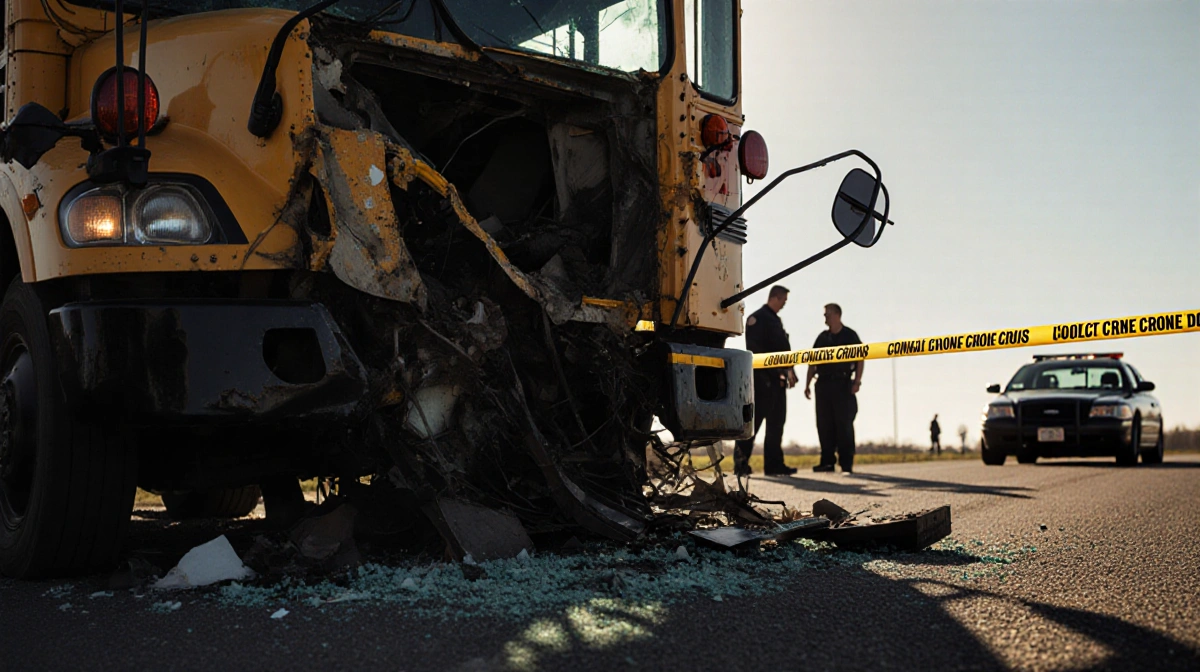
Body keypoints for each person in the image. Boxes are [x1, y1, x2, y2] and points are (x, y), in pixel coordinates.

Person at [734, 286, 798, 477]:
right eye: (783, 300)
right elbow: (755, 351)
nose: (784, 304)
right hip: (762, 381)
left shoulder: (775, 321)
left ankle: (774, 464)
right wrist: (769, 374)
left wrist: (790, 370)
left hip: (778, 380)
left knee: (777, 424)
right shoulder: (758, 319)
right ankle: (741, 463)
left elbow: (783, 349)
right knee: (753, 423)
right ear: (775, 298)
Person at [805, 303, 863, 474]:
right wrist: (807, 384)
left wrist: (857, 382)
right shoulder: (822, 338)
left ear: (837, 314)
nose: (825, 318)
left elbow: (861, 358)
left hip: (843, 384)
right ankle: (827, 461)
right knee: (824, 424)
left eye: (827, 314)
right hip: (823, 385)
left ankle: (846, 463)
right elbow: (812, 362)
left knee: (844, 423)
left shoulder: (850, 336)